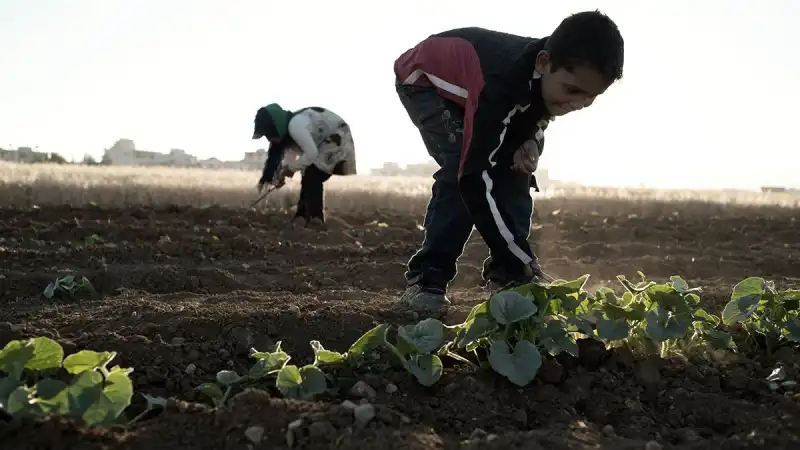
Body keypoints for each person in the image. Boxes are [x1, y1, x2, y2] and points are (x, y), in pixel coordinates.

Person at [393, 10, 625, 310]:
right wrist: (516, 253)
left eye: (591, 97)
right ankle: (426, 279)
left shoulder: (544, 80)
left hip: (480, 94)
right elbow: (474, 177)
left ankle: (508, 278)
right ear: (544, 63)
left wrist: (530, 142)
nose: (578, 104)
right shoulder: (501, 83)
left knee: (517, 167)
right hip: (426, 83)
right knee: (460, 169)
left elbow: (534, 114)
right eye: (573, 91)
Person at [252, 103, 357, 227]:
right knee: (308, 175)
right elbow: (294, 158)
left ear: (276, 128)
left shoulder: (295, 126)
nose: (269, 140)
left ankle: (315, 220)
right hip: (326, 142)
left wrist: (290, 169)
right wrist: (283, 174)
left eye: (268, 135)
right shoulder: (291, 129)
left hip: (337, 139)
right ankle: (302, 216)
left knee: (312, 176)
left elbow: (311, 153)